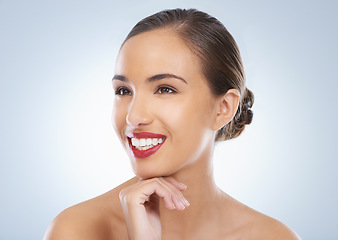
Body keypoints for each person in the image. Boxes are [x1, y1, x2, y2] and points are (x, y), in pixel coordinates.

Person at [44, 8, 300, 240]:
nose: (134, 117)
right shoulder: (75, 230)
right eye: (123, 91)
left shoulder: (273, 237)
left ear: (223, 108)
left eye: (165, 89)